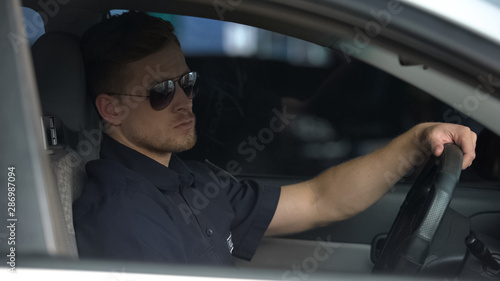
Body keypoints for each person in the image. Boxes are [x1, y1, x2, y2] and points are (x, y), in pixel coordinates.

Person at [73, 11, 477, 265]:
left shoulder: (193, 179)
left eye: (187, 82)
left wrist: (420, 140)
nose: (185, 103)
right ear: (112, 109)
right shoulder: (123, 215)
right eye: (162, 91)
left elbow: (321, 199)